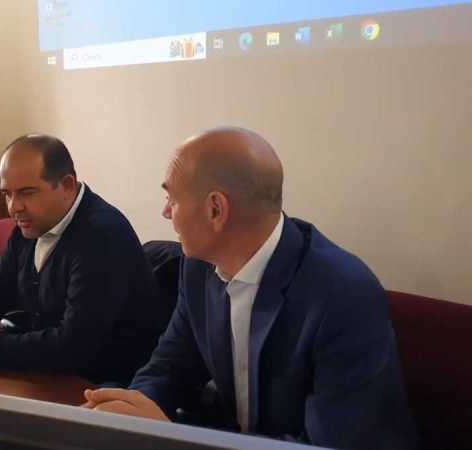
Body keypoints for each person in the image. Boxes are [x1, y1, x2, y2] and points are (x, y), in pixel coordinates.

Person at [81, 127, 419, 449]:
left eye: (172, 198)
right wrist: (128, 414)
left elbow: (328, 446)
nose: (165, 212)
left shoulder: (344, 294)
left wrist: (169, 439)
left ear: (216, 209)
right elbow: (170, 366)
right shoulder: (198, 268)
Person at [0, 134, 166, 385]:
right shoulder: (31, 225)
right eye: (7, 194)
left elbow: (73, 347)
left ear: (67, 186)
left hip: (102, 386)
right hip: (50, 374)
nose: (13, 207)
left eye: (27, 192)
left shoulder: (102, 236)